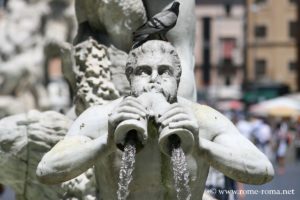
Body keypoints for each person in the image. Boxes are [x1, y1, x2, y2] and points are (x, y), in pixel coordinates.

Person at [37, 40, 274, 200]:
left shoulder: (204, 119)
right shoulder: (102, 117)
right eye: (143, 71)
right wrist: (106, 143)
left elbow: (262, 170)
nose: (154, 79)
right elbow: (46, 171)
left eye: (164, 71)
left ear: (177, 79)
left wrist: (202, 146)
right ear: (130, 77)